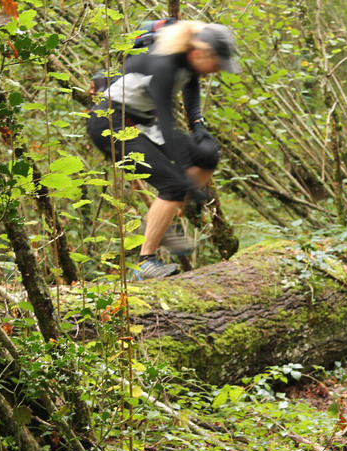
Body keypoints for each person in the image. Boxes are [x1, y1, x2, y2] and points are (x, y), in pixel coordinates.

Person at [86, 21, 240, 279]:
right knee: (174, 185)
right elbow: (167, 127)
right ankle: (146, 262)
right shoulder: (163, 64)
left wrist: (197, 124)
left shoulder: (187, 63)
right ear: (200, 53)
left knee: (207, 154)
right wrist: (188, 187)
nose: (216, 70)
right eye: (217, 63)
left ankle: (166, 218)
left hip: (141, 123)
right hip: (110, 124)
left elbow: (191, 87)